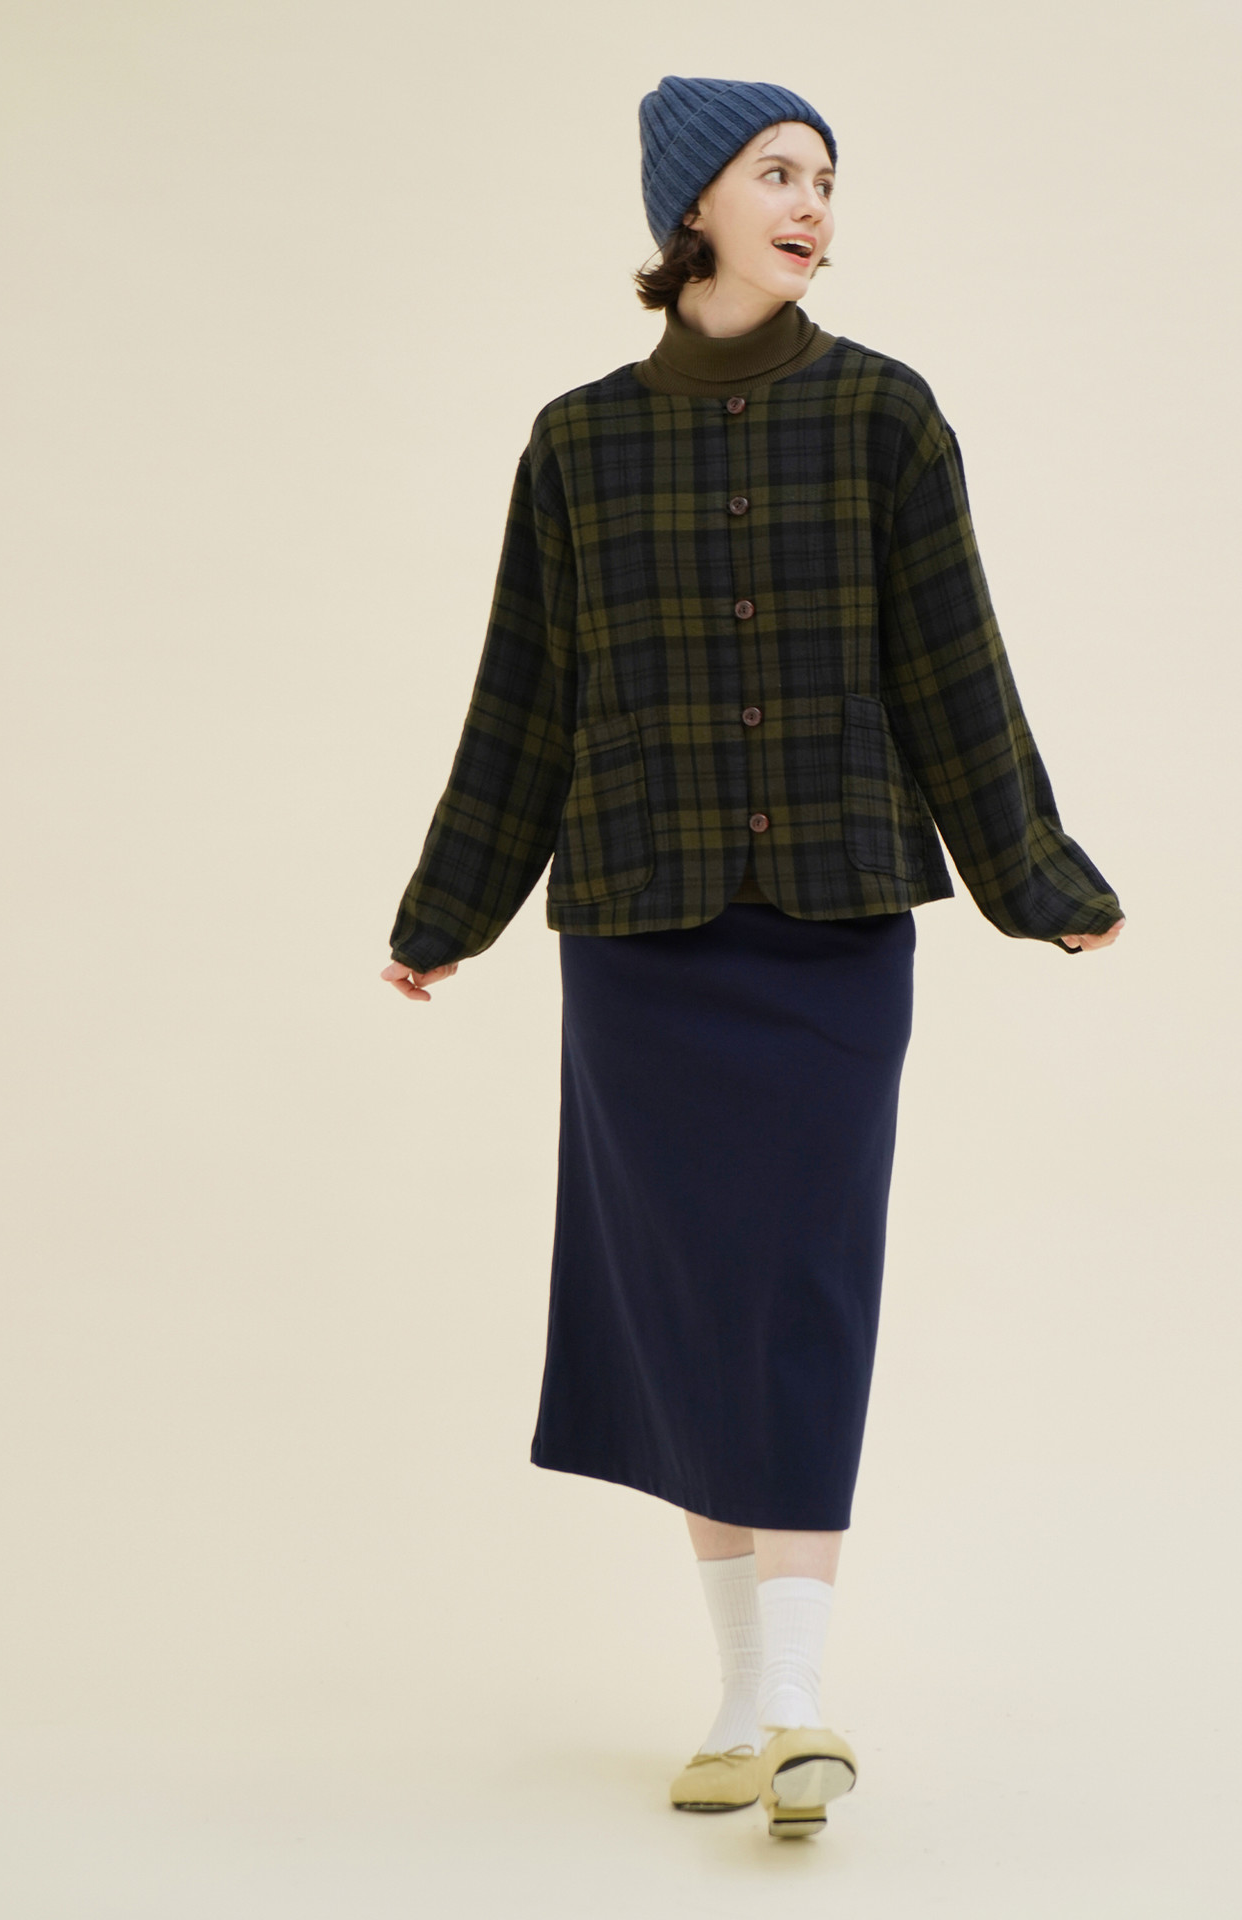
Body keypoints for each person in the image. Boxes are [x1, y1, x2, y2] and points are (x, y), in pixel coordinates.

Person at [380, 75, 1125, 1841]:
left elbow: (955, 668)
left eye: (827, 180)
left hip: (832, 929)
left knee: (800, 1288)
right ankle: (746, 1704)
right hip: (640, 935)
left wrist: (1032, 873)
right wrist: (446, 911)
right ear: (691, 206)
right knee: (691, 1303)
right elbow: (525, 698)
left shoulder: (883, 415)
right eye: (778, 172)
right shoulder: (576, 443)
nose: (812, 206)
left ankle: (792, 1696)